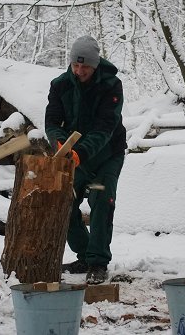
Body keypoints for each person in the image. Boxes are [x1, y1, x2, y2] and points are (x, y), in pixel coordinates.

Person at [45, 35, 127, 284]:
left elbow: (105, 127)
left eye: (86, 67)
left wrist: (82, 152)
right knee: (65, 202)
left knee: (101, 197)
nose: (80, 71)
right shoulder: (60, 85)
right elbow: (52, 121)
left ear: (95, 64)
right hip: (74, 158)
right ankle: (85, 256)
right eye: (75, 65)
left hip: (106, 157)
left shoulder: (111, 86)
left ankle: (98, 261)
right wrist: (59, 142)